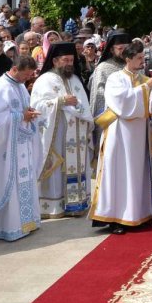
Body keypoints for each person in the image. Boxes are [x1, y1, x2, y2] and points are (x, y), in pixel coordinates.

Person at [90, 39, 152, 233]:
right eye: (138, 58)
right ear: (128, 59)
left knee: (136, 174)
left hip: (138, 135)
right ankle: (116, 219)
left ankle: (137, 215)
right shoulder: (116, 78)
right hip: (118, 134)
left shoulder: (143, 80)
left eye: (143, 57)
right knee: (119, 174)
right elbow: (123, 103)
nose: (142, 61)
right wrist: (148, 87)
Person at [0, 55, 42, 242]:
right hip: (5, 149)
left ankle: (26, 221)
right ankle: (7, 226)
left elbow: (24, 109)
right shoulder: (0, 88)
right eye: (25, 75)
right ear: (14, 69)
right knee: (8, 184)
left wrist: (29, 114)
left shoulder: (20, 86)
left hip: (21, 145)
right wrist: (21, 116)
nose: (27, 79)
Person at [31, 41, 94, 219]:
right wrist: (60, 101)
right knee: (57, 170)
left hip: (77, 134)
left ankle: (77, 203)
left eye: (71, 60)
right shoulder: (45, 80)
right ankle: (53, 206)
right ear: (55, 61)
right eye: (65, 60)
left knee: (76, 168)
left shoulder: (74, 79)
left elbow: (84, 105)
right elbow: (37, 106)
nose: (69, 64)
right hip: (56, 136)